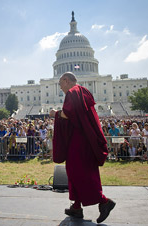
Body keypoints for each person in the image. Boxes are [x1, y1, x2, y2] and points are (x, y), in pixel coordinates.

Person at [49, 72, 115, 224]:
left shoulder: (73, 92)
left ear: (66, 80)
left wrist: (55, 113)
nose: (60, 88)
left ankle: (104, 202)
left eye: (60, 84)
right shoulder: (83, 91)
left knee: (80, 173)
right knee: (74, 171)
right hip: (84, 139)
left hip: (80, 141)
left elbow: (69, 114)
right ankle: (76, 208)